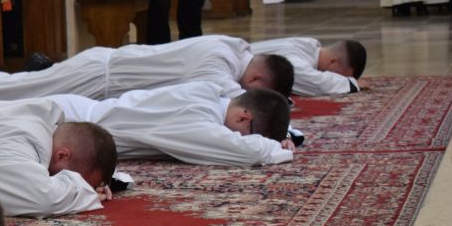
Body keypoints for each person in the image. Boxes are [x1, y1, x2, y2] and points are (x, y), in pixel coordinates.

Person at [0, 36, 295, 107]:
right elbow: (229, 98)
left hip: (102, 69)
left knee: (19, 88)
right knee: (13, 92)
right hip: (98, 77)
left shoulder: (232, 47)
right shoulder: (220, 66)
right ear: (257, 79)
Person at [47, 82, 294, 167]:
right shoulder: (197, 117)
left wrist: (281, 137)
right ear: (243, 118)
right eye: (247, 133)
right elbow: (244, 151)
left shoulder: (208, 91)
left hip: (75, 116)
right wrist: (275, 148)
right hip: (65, 126)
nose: (242, 137)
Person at [248, 38, 369, 96]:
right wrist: (350, 83)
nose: (338, 78)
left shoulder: (308, 44)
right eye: (340, 75)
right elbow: (317, 84)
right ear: (333, 61)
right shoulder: (294, 61)